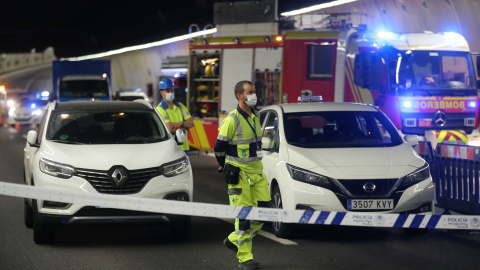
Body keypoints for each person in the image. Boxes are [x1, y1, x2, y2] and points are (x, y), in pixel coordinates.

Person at [214, 80, 271, 269]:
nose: (254, 95)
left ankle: (233, 239)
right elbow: (218, 148)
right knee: (244, 218)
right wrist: (224, 166)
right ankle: (245, 258)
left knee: (265, 213)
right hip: (239, 176)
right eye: (250, 92)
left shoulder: (256, 116)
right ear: (240, 96)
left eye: (254, 91)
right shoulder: (232, 120)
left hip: (257, 174)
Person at [156, 78, 194, 154]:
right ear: (161, 92)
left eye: (172, 90)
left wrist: (178, 124)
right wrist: (184, 125)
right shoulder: (160, 109)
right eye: (168, 90)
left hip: (184, 147)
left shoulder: (181, 106)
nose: (171, 92)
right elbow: (170, 129)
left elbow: (191, 123)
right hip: (170, 149)